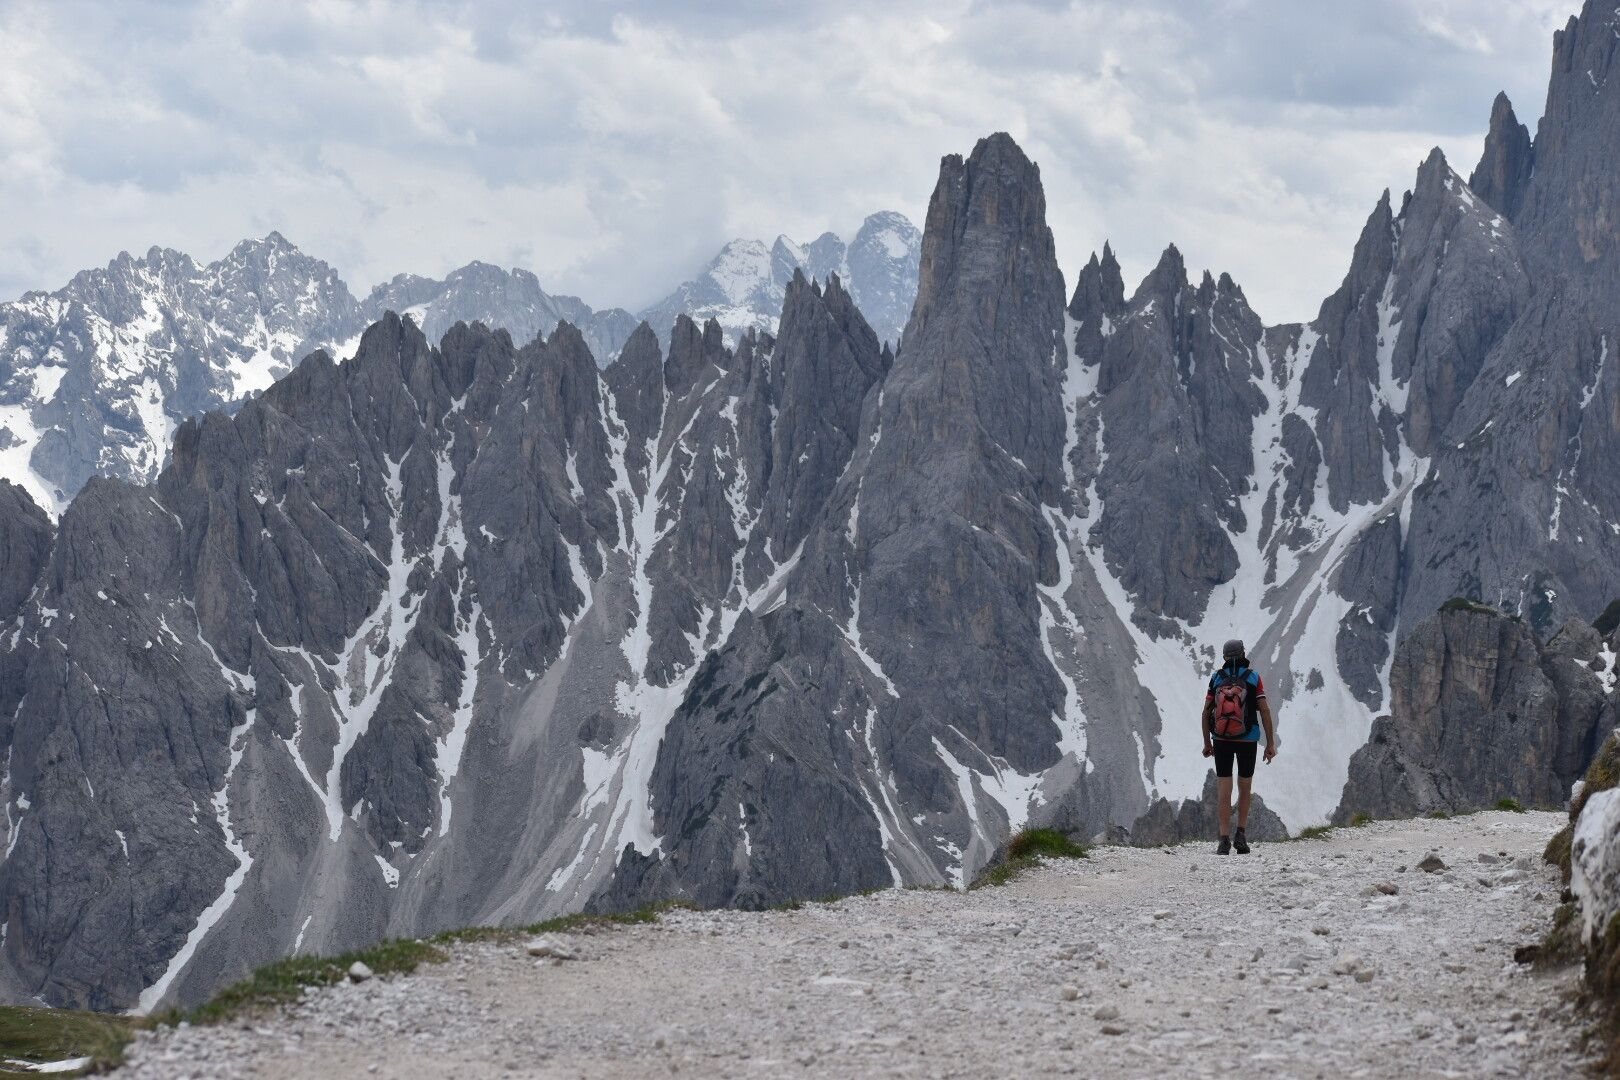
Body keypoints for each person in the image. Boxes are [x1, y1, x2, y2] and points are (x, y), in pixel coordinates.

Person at [1201, 638, 1278, 854]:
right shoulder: (1253, 678)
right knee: (1245, 788)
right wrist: (1270, 743)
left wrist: (1208, 743)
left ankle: (1223, 840)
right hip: (1248, 739)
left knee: (1224, 791)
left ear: (1225, 657)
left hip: (1221, 739)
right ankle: (1241, 837)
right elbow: (1264, 710)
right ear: (1243, 654)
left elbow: (1206, 712)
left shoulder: (1216, 678)